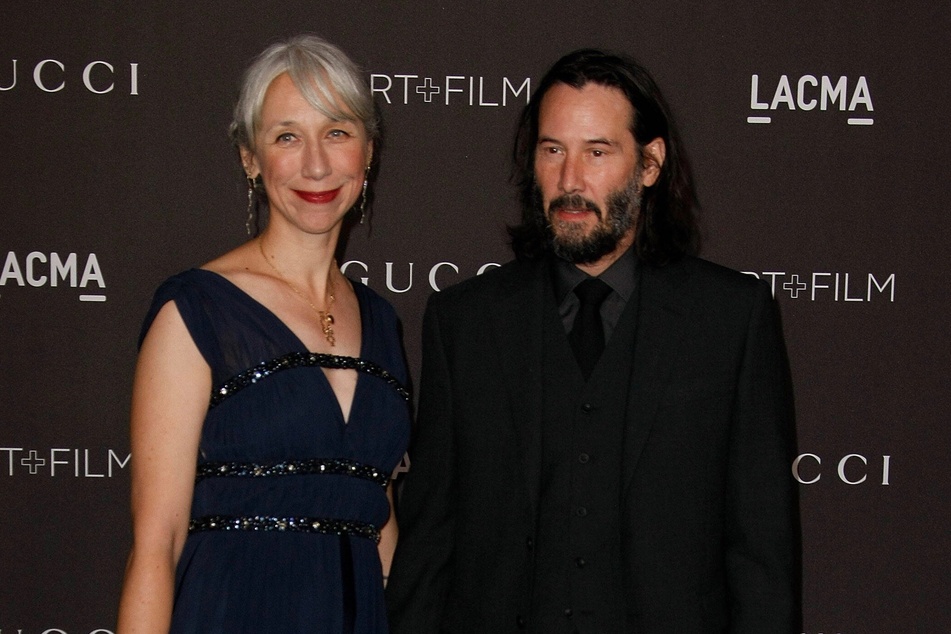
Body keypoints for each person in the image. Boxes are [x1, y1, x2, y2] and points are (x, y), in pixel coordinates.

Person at [386, 49, 800, 633]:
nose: (569, 180)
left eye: (597, 152)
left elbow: (762, 554)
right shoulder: (466, 322)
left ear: (650, 162)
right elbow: (429, 544)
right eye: (552, 150)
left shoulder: (731, 319)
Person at [117, 35, 410, 633]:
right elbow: (156, 545)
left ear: (368, 152)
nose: (317, 164)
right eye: (286, 137)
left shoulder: (381, 322)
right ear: (250, 158)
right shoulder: (197, 309)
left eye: (337, 131)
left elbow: (373, 515)